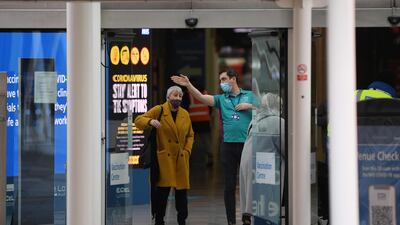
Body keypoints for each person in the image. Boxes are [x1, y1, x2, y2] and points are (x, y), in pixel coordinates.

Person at [171, 69, 255, 225]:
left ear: (233, 79)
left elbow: (267, 108)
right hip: (228, 146)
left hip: (247, 146)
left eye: (223, 79)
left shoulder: (249, 95)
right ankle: (231, 221)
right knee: (229, 185)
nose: (221, 83)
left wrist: (249, 106)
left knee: (248, 183)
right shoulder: (221, 99)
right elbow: (202, 97)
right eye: (220, 80)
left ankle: (247, 215)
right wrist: (188, 85)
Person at [134, 86, 194, 225]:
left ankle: (182, 221)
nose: (177, 98)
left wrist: (187, 151)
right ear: (168, 97)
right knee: (162, 195)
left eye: (180, 96)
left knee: (182, 196)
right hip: (164, 161)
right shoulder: (159, 110)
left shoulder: (185, 114)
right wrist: (150, 121)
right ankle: (159, 220)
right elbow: (138, 121)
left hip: (180, 159)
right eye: (175, 95)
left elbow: (190, 135)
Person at [239, 93, 285, 225]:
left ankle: (249, 216)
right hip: (265, 168)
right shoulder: (278, 122)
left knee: (253, 200)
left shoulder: (255, 120)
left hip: (248, 164)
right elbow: (287, 147)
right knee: (265, 204)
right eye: (280, 105)